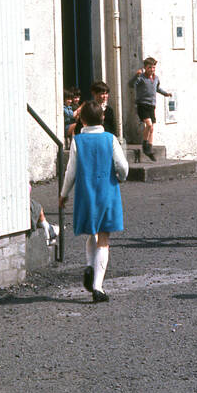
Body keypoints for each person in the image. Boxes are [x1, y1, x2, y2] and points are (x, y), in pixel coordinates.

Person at [59, 100, 129, 302]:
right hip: (107, 191)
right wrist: (121, 178)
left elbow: (70, 171)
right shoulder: (110, 138)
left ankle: (90, 265)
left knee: (92, 231)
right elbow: (122, 166)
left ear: (81, 120)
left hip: (85, 193)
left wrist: (63, 194)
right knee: (104, 236)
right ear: (103, 118)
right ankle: (98, 286)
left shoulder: (77, 141)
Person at [131, 57, 172, 159]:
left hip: (151, 105)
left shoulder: (156, 78)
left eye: (153, 67)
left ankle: (149, 148)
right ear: (145, 68)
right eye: (149, 67)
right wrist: (136, 76)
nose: (152, 70)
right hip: (142, 104)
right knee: (148, 125)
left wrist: (165, 93)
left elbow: (157, 88)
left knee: (152, 128)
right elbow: (131, 84)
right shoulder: (141, 78)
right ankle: (145, 145)